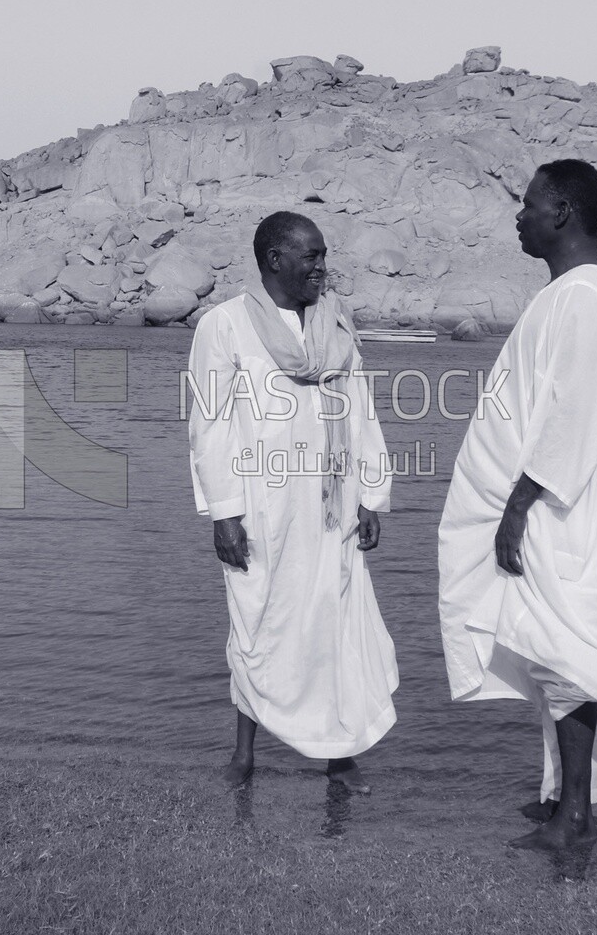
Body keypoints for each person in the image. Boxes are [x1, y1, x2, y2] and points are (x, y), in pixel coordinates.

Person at [437, 159, 597, 850]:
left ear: (561, 212)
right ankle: (562, 799)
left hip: (566, 504)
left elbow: (576, 411)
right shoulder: (566, 293)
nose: (518, 217)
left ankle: (575, 817)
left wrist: (521, 501)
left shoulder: (585, 295)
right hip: (555, 498)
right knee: (549, 649)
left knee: (564, 653)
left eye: (528, 205)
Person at [187, 210, 397, 793]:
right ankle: (244, 754)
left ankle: (339, 755)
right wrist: (224, 514)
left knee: (336, 623)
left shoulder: (335, 323)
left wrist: (371, 496)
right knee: (256, 622)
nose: (322, 269)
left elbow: (361, 409)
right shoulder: (225, 326)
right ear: (275, 260)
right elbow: (210, 425)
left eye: (324, 255)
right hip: (260, 507)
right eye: (311, 257)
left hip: (332, 506)